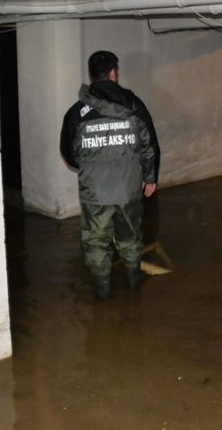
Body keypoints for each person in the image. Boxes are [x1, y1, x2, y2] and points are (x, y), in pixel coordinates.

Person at [60, 51, 160, 300]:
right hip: (128, 188)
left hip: (95, 191)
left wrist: (91, 167)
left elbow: (69, 153)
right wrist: (150, 177)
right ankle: (134, 287)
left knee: (96, 241)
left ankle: (103, 295)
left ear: (92, 75)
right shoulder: (134, 106)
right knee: (130, 236)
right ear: (114, 73)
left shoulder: (76, 112)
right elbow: (149, 144)